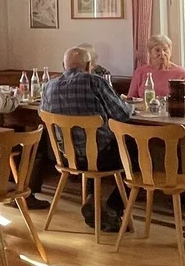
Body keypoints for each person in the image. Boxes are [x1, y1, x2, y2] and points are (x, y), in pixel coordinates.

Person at [40, 47, 131, 231]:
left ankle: (92, 198)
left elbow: (42, 113)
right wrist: (131, 107)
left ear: (63, 66)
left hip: (66, 158)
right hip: (102, 158)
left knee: (92, 146)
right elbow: (121, 114)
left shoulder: (48, 86)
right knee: (137, 151)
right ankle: (113, 207)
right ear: (90, 65)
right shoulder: (95, 82)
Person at [127, 35, 185, 101]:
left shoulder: (182, 74)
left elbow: (181, 102)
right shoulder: (140, 72)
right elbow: (130, 100)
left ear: (170, 51)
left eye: (165, 49)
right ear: (150, 52)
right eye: (157, 50)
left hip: (170, 110)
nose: (162, 53)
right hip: (143, 110)